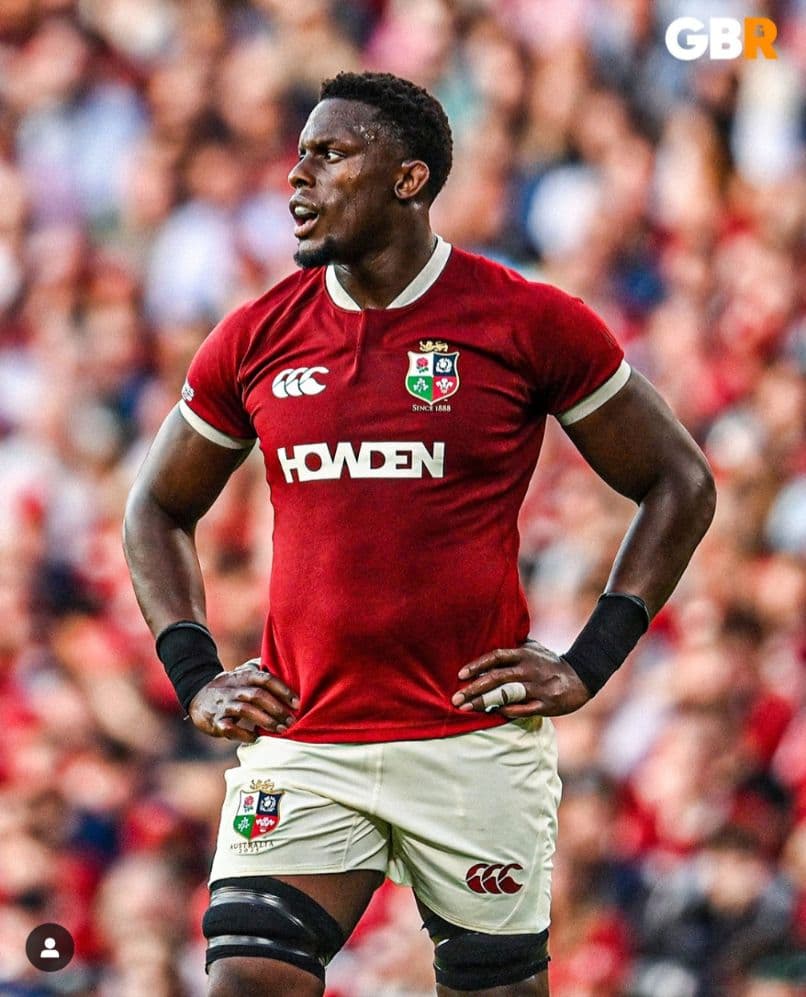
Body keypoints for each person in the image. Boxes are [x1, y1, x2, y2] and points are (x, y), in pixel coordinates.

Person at [122, 71, 716, 997]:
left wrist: (589, 661)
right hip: (308, 740)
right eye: (299, 156)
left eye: (330, 155)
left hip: (471, 740)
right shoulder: (256, 336)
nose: (298, 178)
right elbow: (156, 508)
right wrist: (195, 675)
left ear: (409, 178)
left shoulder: (527, 321)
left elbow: (680, 482)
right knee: (248, 977)